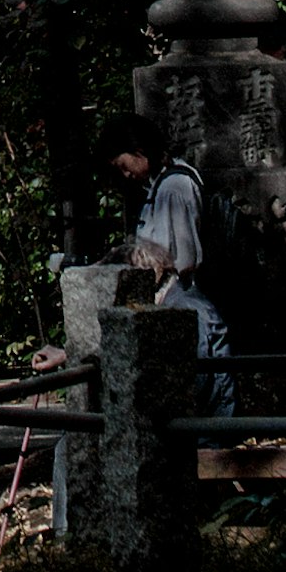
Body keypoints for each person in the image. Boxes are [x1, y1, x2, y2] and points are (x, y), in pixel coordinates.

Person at [103, 121, 237, 405]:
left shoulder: (174, 187)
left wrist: (141, 259)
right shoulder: (161, 186)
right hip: (177, 296)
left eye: (124, 165)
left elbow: (181, 256)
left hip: (185, 295)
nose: (125, 175)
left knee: (199, 382)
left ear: (139, 151)